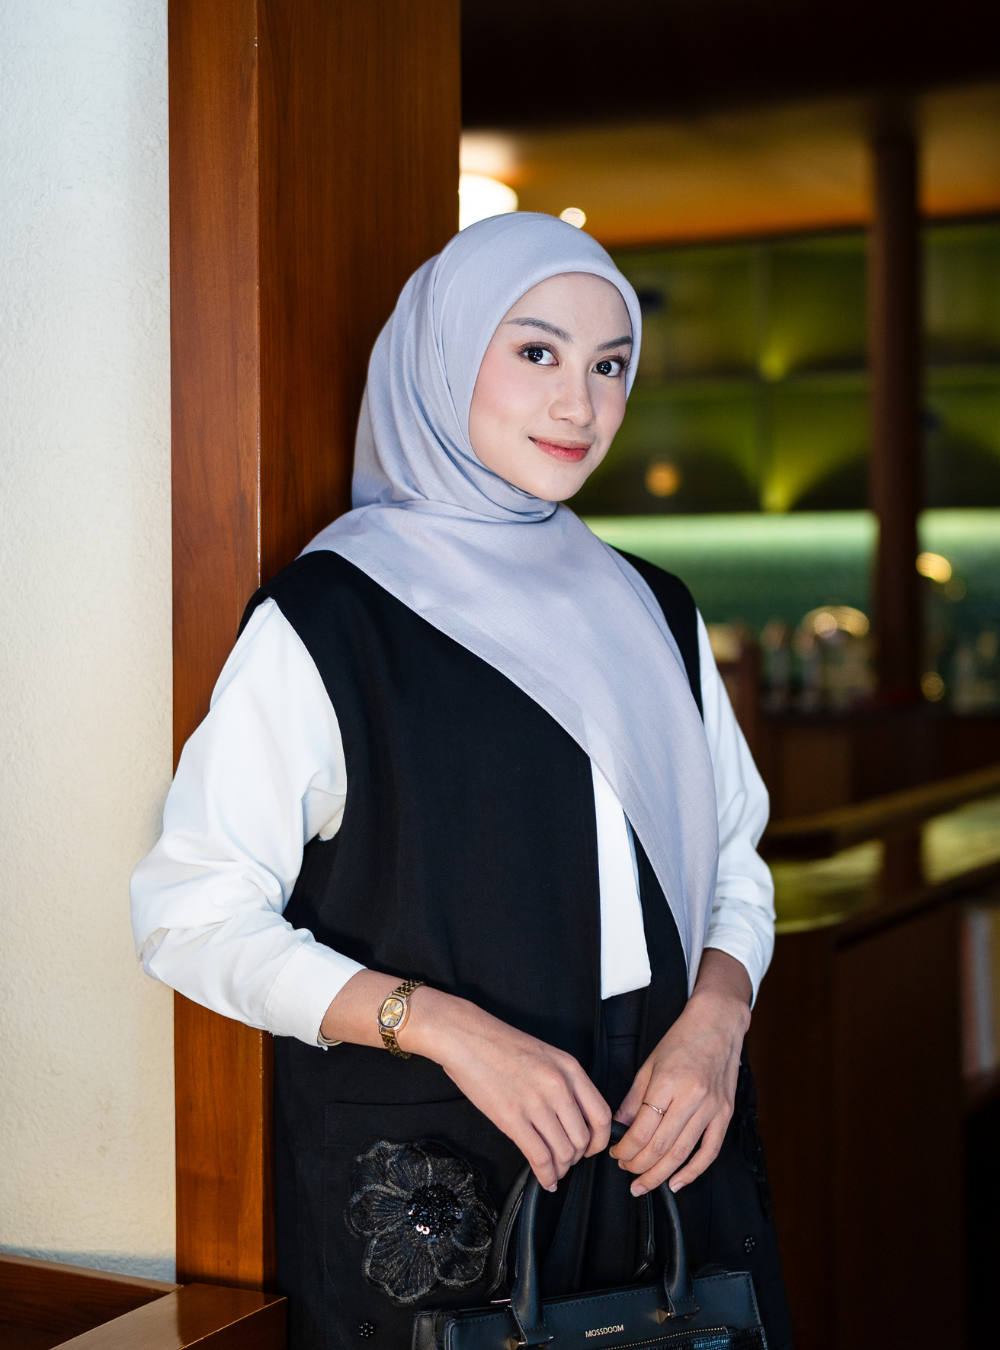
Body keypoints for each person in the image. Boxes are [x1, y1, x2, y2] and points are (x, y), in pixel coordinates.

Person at [131, 212, 791, 1349]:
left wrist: (718, 1019)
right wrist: (442, 1027)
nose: (579, 406)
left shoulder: (654, 607)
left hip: (672, 1138)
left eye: (610, 366)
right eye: (536, 352)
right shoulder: (333, 617)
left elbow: (736, 860)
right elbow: (188, 916)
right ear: (441, 358)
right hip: (438, 1177)